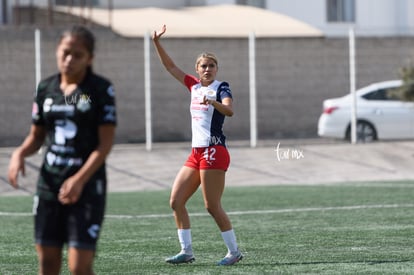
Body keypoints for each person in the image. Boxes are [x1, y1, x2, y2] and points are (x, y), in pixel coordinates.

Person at [8, 25, 116, 275]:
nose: (69, 60)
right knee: (47, 265)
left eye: (78, 55)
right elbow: (37, 136)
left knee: (79, 268)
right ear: (57, 51)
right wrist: (19, 153)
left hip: (87, 187)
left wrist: (79, 180)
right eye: (65, 52)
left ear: (90, 58)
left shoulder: (99, 89)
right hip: (49, 184)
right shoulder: (45, 89)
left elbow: (105, 144)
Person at [152, 25, 243, 266]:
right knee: (176, 201)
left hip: (214, 151)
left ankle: (234, 252)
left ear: (216, 69)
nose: (207, 69)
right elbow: (170, 67)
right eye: (203, 66)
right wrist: (156, 43)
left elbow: (230, 111)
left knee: (211, 205)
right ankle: (186, 251)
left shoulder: (221, 87)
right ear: (197, 69)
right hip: (196, 152)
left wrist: (213, 102)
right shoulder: (193, 85)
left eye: (211, 66)